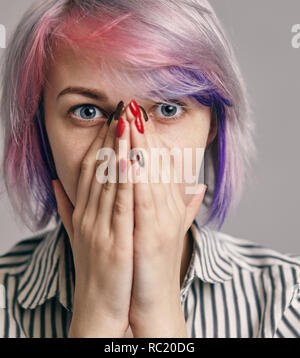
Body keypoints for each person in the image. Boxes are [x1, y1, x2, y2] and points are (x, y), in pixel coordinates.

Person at [0, 0, 299, 338]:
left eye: (168, 108)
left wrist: (159, 317)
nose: (127, 155)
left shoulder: (288, 303)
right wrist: (97, 318)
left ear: (212, 124)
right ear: (42, 128)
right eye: (86, 111)